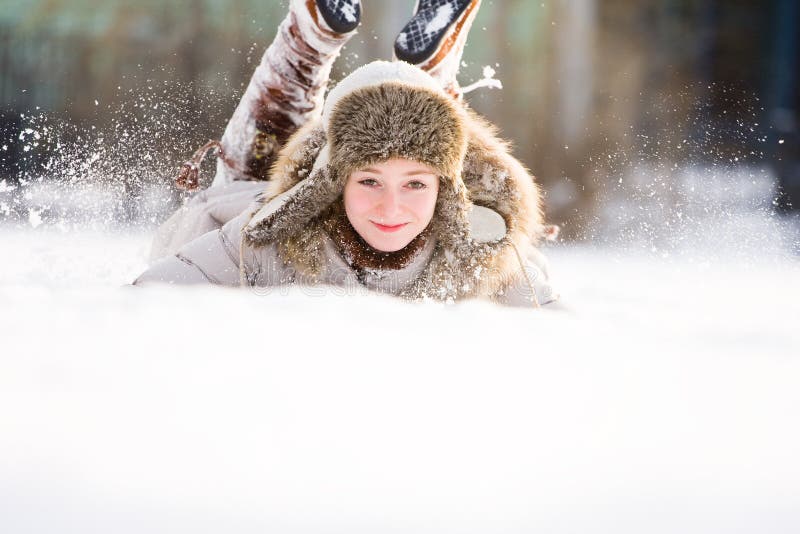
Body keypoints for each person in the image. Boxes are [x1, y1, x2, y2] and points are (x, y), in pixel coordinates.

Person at [134, 0, 559, 307]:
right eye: (369, 181)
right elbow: (142, 299)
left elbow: (564, 328)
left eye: (415, 185)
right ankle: (417, 76)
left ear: (448, 192)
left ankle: (319, 34)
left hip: (421, 188)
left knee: (295, 89)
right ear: (334, 181)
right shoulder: (262, 239)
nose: (390, 208)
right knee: (270, 158)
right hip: (269, 202)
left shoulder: (484, 255)